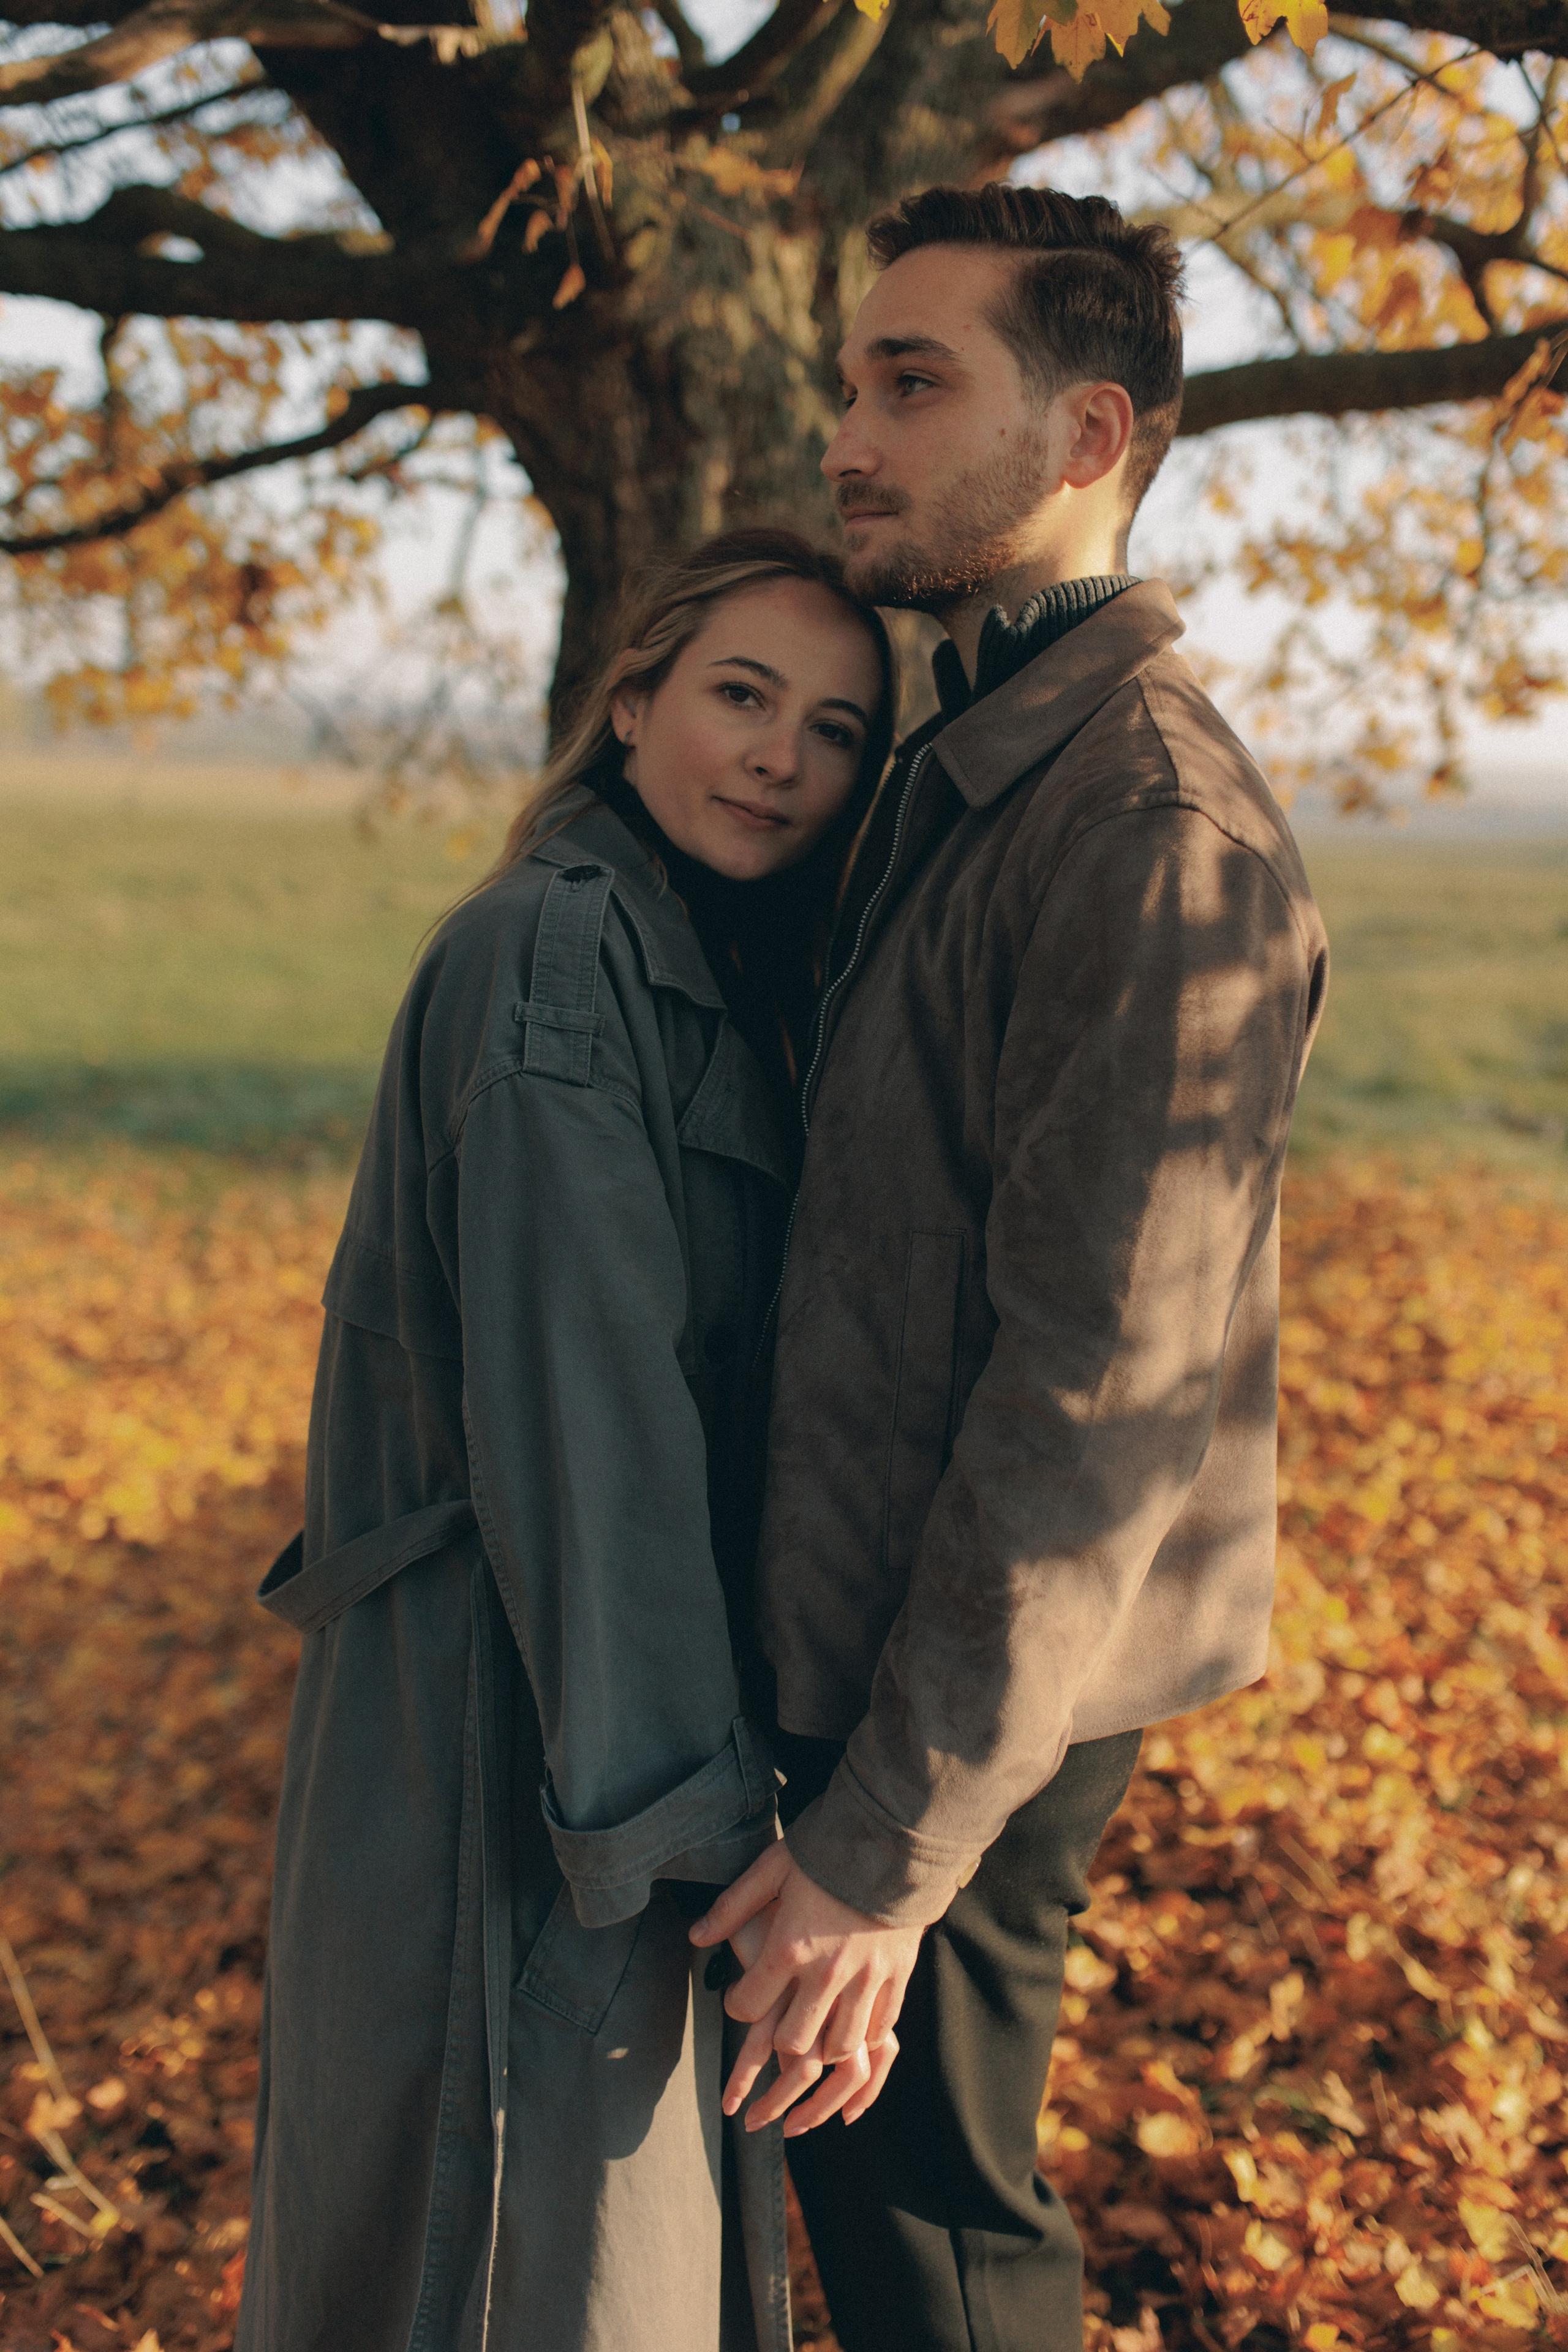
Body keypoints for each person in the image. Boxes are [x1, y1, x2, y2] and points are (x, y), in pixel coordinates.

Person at [693, 185, 1332, 2351]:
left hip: (964, 1692)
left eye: (910, 381)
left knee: (941, 2259)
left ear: (1084, 437)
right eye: (849, 382)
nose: (848, 436)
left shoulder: (1150, 831)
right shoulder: (965, 740)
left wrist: (889, 1845)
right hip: (872, 1627)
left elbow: (1098, 1400)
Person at [235, 529, 895, 2352]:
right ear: (630, 703)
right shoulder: (556, 957)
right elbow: (581, 1420)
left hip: (602, 1725)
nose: (780, 757)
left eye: (835, 730)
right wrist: (684, 1839)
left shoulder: (695, 963)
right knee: (520, 2254)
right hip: (525, 1737)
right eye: (740, 696)